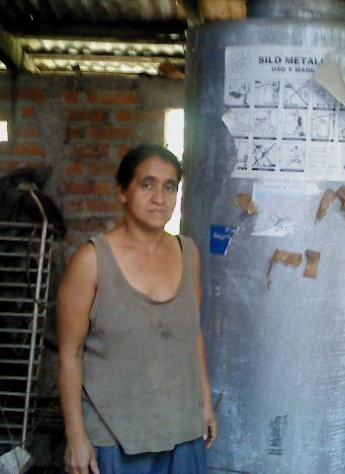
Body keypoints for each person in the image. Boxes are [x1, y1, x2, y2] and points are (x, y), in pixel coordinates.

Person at [57, 143, 217, 474]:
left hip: (181, 428)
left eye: (169, 186)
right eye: (147, 184)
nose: (159, 197)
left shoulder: (188, 254)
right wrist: (76, 435)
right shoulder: (92, 261)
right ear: (122, 191)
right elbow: (70, 354)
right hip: (114, 434)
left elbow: (193, 335)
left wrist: (204, 403)